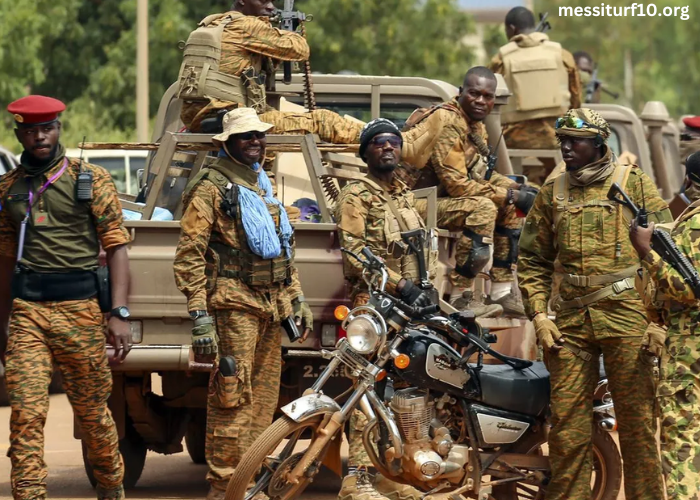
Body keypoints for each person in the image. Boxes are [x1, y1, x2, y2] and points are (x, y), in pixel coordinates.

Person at [517, 108, 667, 500]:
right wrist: (539, 315)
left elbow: (667, 253)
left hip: (628, 318)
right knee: (567, 429)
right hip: (569, 323)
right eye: (561, 140)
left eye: (575, 141)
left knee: (637, 427)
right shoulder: (554, 191)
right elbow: (532, 259)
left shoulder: (633, 184)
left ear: (600, 144)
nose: (566, 147)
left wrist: (660, 320)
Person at [173, 107, 314, 500]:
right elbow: (189, 256)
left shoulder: (261, 183)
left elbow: (283, 249)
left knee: (264, 401)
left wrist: (296, 296)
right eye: (246, 136)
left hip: (271, 305)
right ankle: (224, 487)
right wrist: (200, 316)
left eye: (259, 135)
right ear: (228, 143)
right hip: (234, 305)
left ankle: (248, 480)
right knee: (232, 398)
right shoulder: (211, 187)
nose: (255, 142)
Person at [0, 95, 131, 500]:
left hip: (82, 312)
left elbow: (117, 248)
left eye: (47, 128)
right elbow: (5, 261)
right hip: (28, 313)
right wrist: (1, 324)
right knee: (25, 414)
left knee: (93, 418)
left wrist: (120, 312)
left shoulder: (89, 180)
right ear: (19, 133)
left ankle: (111, 490)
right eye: (30, 130)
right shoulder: (9, 188)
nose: (39, 136)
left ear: (59, 129)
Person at [334, 119, 437, 500]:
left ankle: (392, 476)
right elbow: (353, 254)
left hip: (409, 312)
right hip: (374, 309)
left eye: (394, 142)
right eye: (379, 143)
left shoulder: (404, 194)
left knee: (403, 394)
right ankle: (358, 480)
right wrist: (400, 285)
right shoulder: (356, 196)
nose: (388, 148)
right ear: (365, 152)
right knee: (367, 395)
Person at [399, 66, 538, 317]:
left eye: (487, 96)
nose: (481, 101)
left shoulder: (473, 124)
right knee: (484, 207)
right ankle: (461, 296)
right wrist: (509, 194)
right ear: (462, 92)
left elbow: (480, 174)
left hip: (434, 201)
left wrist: (518, 189)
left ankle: (502, 292)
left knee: (512, 205)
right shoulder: (450, 122)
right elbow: (458, 185)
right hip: (409, 205)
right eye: (475, 94)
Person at [178, 0, 363, 145]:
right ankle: (375, 134)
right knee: (322, 120)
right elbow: (299, 49)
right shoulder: (247, 26)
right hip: (232, 119)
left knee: (268, 140)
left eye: (272, 2)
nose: (271, 8)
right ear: (242, 1)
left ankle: (267, 187)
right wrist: (285, 31)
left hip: (199, 116)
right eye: (263, 1)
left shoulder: (213, 24)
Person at [629, 150, 700, 500]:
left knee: (683, 440)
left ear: (690, 181)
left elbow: (686, 290)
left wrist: (647, 252)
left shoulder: (696, 223)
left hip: (690, 346)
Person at [489, 7, 581, 186]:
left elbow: (488, 100)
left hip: (513, 139)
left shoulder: (500, 59)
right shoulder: (562, 55)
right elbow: (576, 98)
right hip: (557, 137)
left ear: (512, 29)